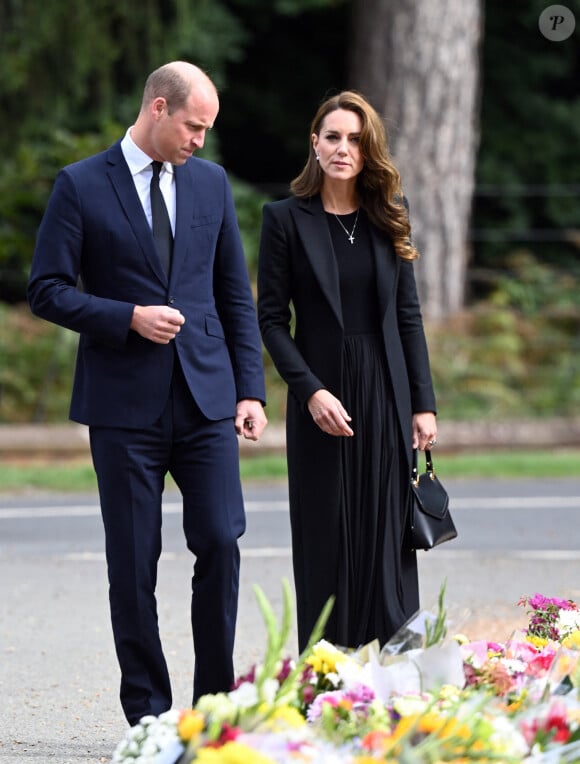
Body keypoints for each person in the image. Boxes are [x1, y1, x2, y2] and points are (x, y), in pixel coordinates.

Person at [28, 61, 267, 725]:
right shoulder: (79, 185)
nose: (201, 141)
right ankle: (150, 717)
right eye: (194, 126)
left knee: (221, 540)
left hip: (206, 400)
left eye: (207, 130)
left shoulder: (212, 184)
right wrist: (125, 316)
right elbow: (46, 290)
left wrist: (251, 388)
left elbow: (233, 296)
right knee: (133, 564)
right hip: (121, 408)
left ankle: (215, 708)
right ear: (159, 109)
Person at [257, 90, 437, 653]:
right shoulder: (284, 219)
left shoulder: (390, 214)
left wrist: (423, 403)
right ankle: (328, 673)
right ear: (315, 143)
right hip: (321, 398)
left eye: (355, 139)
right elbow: (270, 321)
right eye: (332, 137)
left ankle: (396, 674)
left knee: (387, 539)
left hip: (384, 392)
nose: (343, 148)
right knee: (326, 537)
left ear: (368, 149)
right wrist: (309, 391)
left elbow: (408, 317)